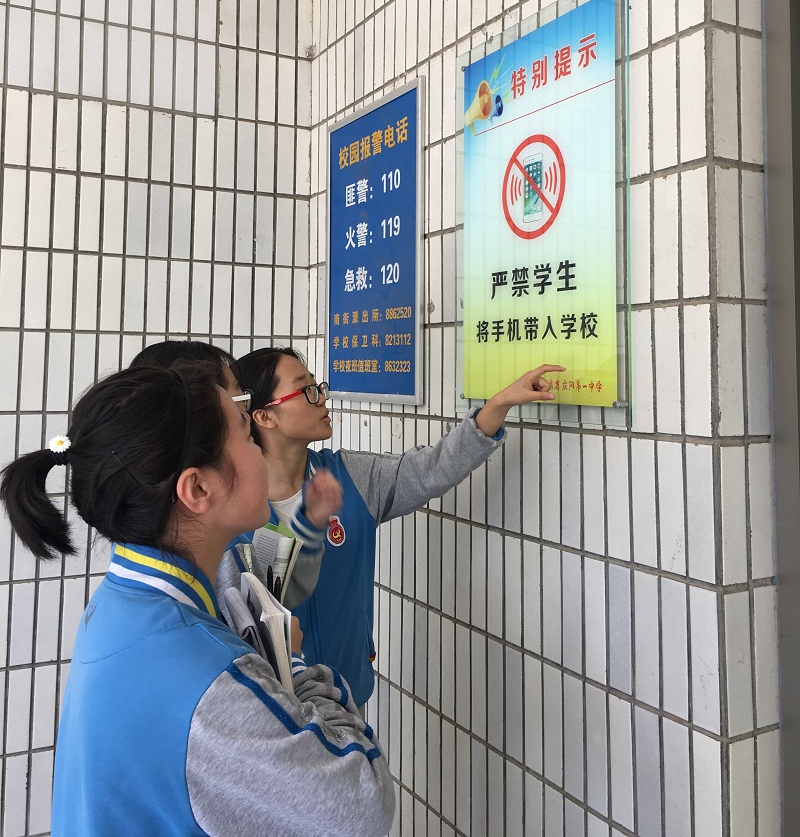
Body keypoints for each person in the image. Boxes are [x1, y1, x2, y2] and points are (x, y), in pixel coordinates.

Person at [0, 362, 395, 837]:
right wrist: (290, 665)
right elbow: (363, 805)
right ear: (198, 488)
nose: (260, 449)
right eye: (246, 435)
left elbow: (274, 573)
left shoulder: (124, 598)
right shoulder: (208, 677)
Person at [237, 346, 564, 708]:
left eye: (318, 386)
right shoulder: (236, 509)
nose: (322, 398)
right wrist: (308, 525)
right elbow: (268, 596)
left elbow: (430, 470)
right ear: (264, 417)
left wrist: (497, 405)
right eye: (306, 390)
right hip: (273, 706)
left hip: (347, 696)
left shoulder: (349, 476)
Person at [130, 340, 342, 610]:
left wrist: (310, 530)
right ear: (196, 487)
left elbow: (273, 601)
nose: (251, 424)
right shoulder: (179, 615)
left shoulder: (150, 566)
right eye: (242, 413)